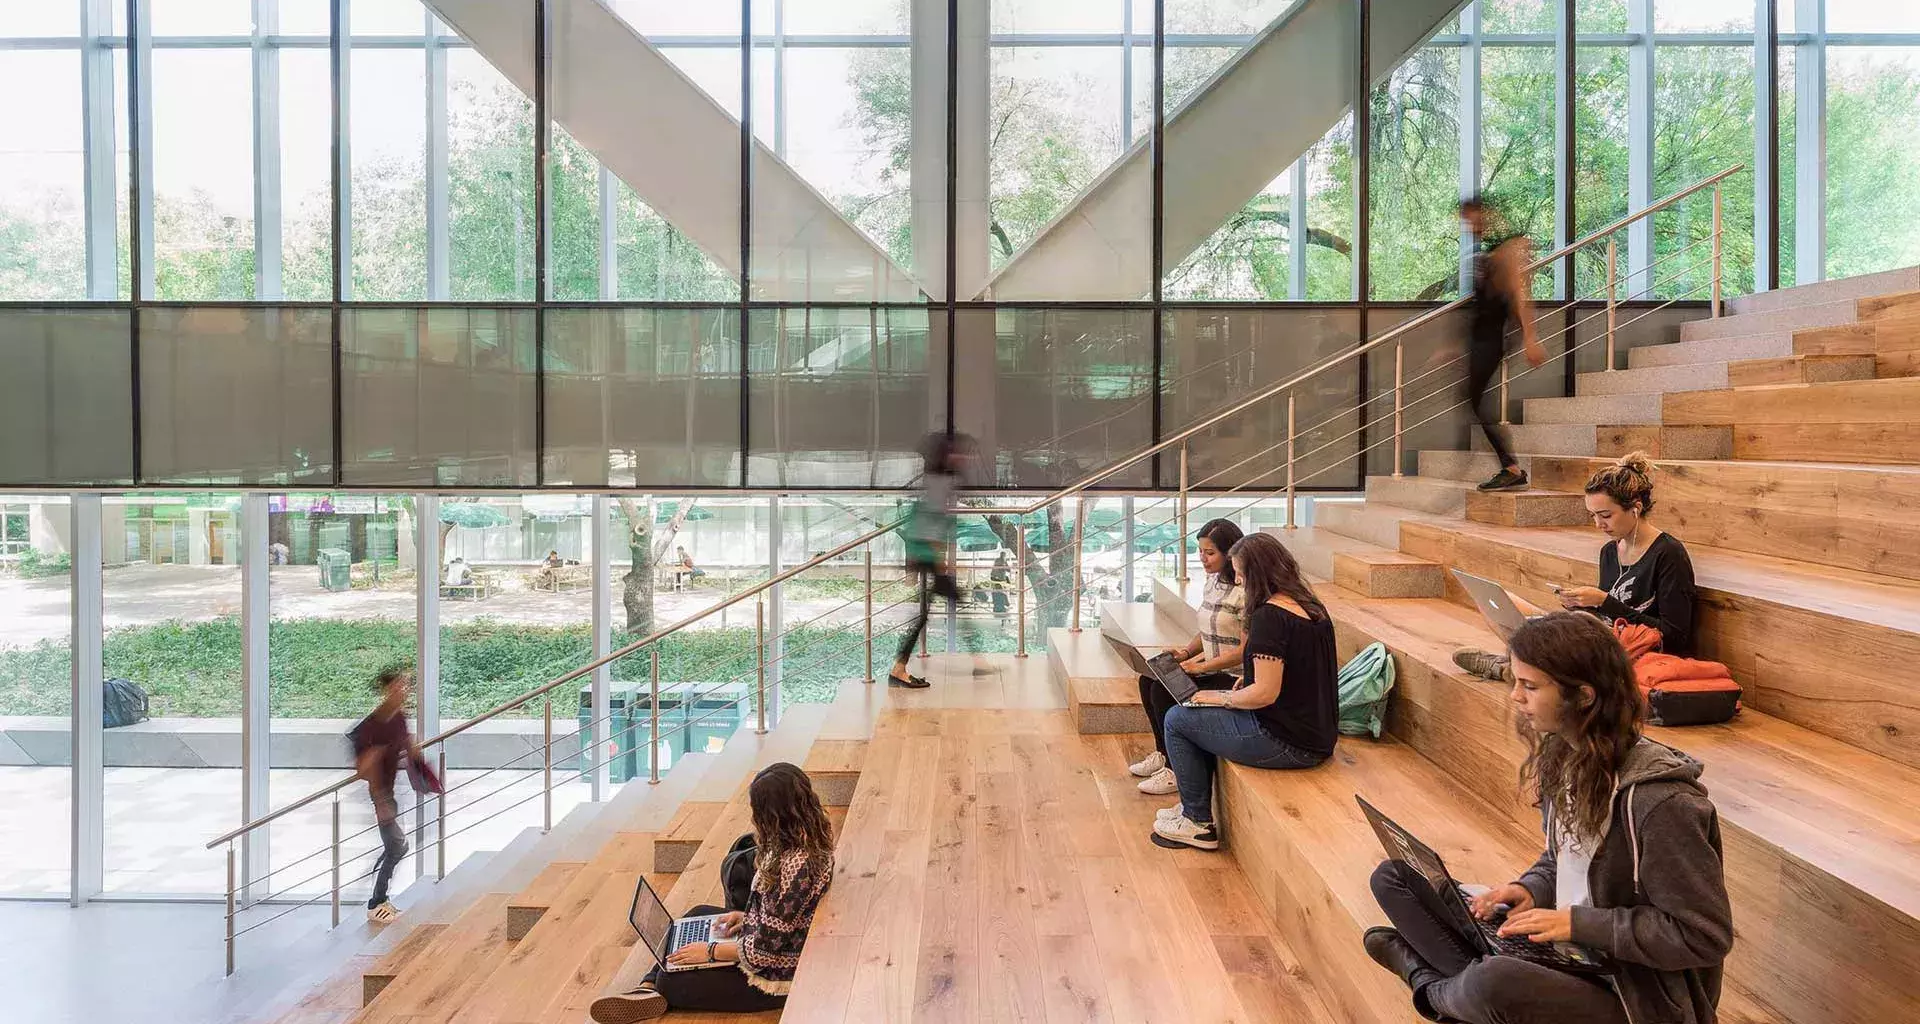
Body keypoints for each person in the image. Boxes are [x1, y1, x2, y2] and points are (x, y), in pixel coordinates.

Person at [1364, 612, 1733, 1024]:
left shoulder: (1663, 804)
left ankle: (1428, 985)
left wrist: (1578, 924)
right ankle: (1470, 987)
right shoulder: (1565, 755)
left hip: (1634, 993)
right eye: (1516, 682)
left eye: (1530, 686)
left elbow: (1702, 936)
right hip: (1571, 952)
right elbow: (1564, 860)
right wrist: (1529, 889)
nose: (1514, 697)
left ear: (1584, 696)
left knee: (1494, 983)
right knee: (1395, 878)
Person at [590, 763, 835, 1022]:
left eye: (757, 812)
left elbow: (762, 954)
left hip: (776, 974)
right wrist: (746, 917)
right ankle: (647, 988)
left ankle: (653, 986)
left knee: (670, 981)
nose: (753, 819)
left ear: (773, 816)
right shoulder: (808, 836)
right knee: (696, 914)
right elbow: (784, 918)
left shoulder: (796, 865)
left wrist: (710, 952)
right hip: (777, 941)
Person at [1151, 532, 1338, 851]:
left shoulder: (1268, 617)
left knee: (1178, 719)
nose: (1237, 583)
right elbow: (1299, 673)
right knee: (1196, 712)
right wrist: (1244, 684)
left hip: (1287, 741)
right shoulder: (1311, 607)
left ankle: (1196, 822)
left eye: (1240, 575)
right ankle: (1190, 806)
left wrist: (1220, 698)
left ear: (1259, 574)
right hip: (1317, 735)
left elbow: (1264, 694)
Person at [1454, 452, 1697, 680]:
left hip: (1633, 652)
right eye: (1593, 516)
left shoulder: (1668, 554)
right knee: (1500, 602)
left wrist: (1604, 601)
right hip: (1597, 637)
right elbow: (1604, 617)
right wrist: (1581, 604)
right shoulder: (1610, 551)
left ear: (1636, 508)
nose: (1598, 525)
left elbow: (1674, 636)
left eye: (1605, 515)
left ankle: (1510, 668)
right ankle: (1524, 667)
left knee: (1559, 631)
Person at [1128, 518, 1246, 796]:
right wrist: (1184, 654)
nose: (1202, 559)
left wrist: (1200, 667)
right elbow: (1207, 632)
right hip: (1210, 667)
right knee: (1149, 679)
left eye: (1210, 552)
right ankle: (1162, 754)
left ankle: (1173, 770)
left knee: (1162, 692)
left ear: (1230, 554)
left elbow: (1244, 650)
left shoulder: (1246, 591)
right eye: (1200, 551)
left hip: (1235, 677)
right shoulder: (1212, 582)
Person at [1461, 196, 1546, 492]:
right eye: (1467, 222)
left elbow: (1521, 295)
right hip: (1480, 336)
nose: (1470, 226)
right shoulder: (1488, 250)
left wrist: (1530, 337)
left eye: (1472, 219)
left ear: (1487, 214)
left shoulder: (1508, 248)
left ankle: (1510, 467)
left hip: (1493, 337)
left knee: (1473, 399)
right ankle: (1509, 466)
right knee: (1471, 399)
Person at [887, 434, 978, 688]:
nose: (967, 457)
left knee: (931, 610)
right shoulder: (941, 482)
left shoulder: (940, 479)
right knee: (945, 604)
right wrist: (940, 561)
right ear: (948, 456)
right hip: (928, 555)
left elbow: (927, 518)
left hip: (925, 554)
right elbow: (930, 522)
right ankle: (977, 661)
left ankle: (900, 667)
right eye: (962, 453)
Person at [349, 665, 426, 924]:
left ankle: (379, 894)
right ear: (386, 689)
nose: (404, 690)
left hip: (390, 793)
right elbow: (363, 768)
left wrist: (412, 751)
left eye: (406, 685)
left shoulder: (399, 718)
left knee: (396, 846)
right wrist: (380, 800)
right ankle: (376, 902)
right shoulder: (373, 724)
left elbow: (406, 747)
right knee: (397, 846)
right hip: (380, 795)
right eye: (399, 685)